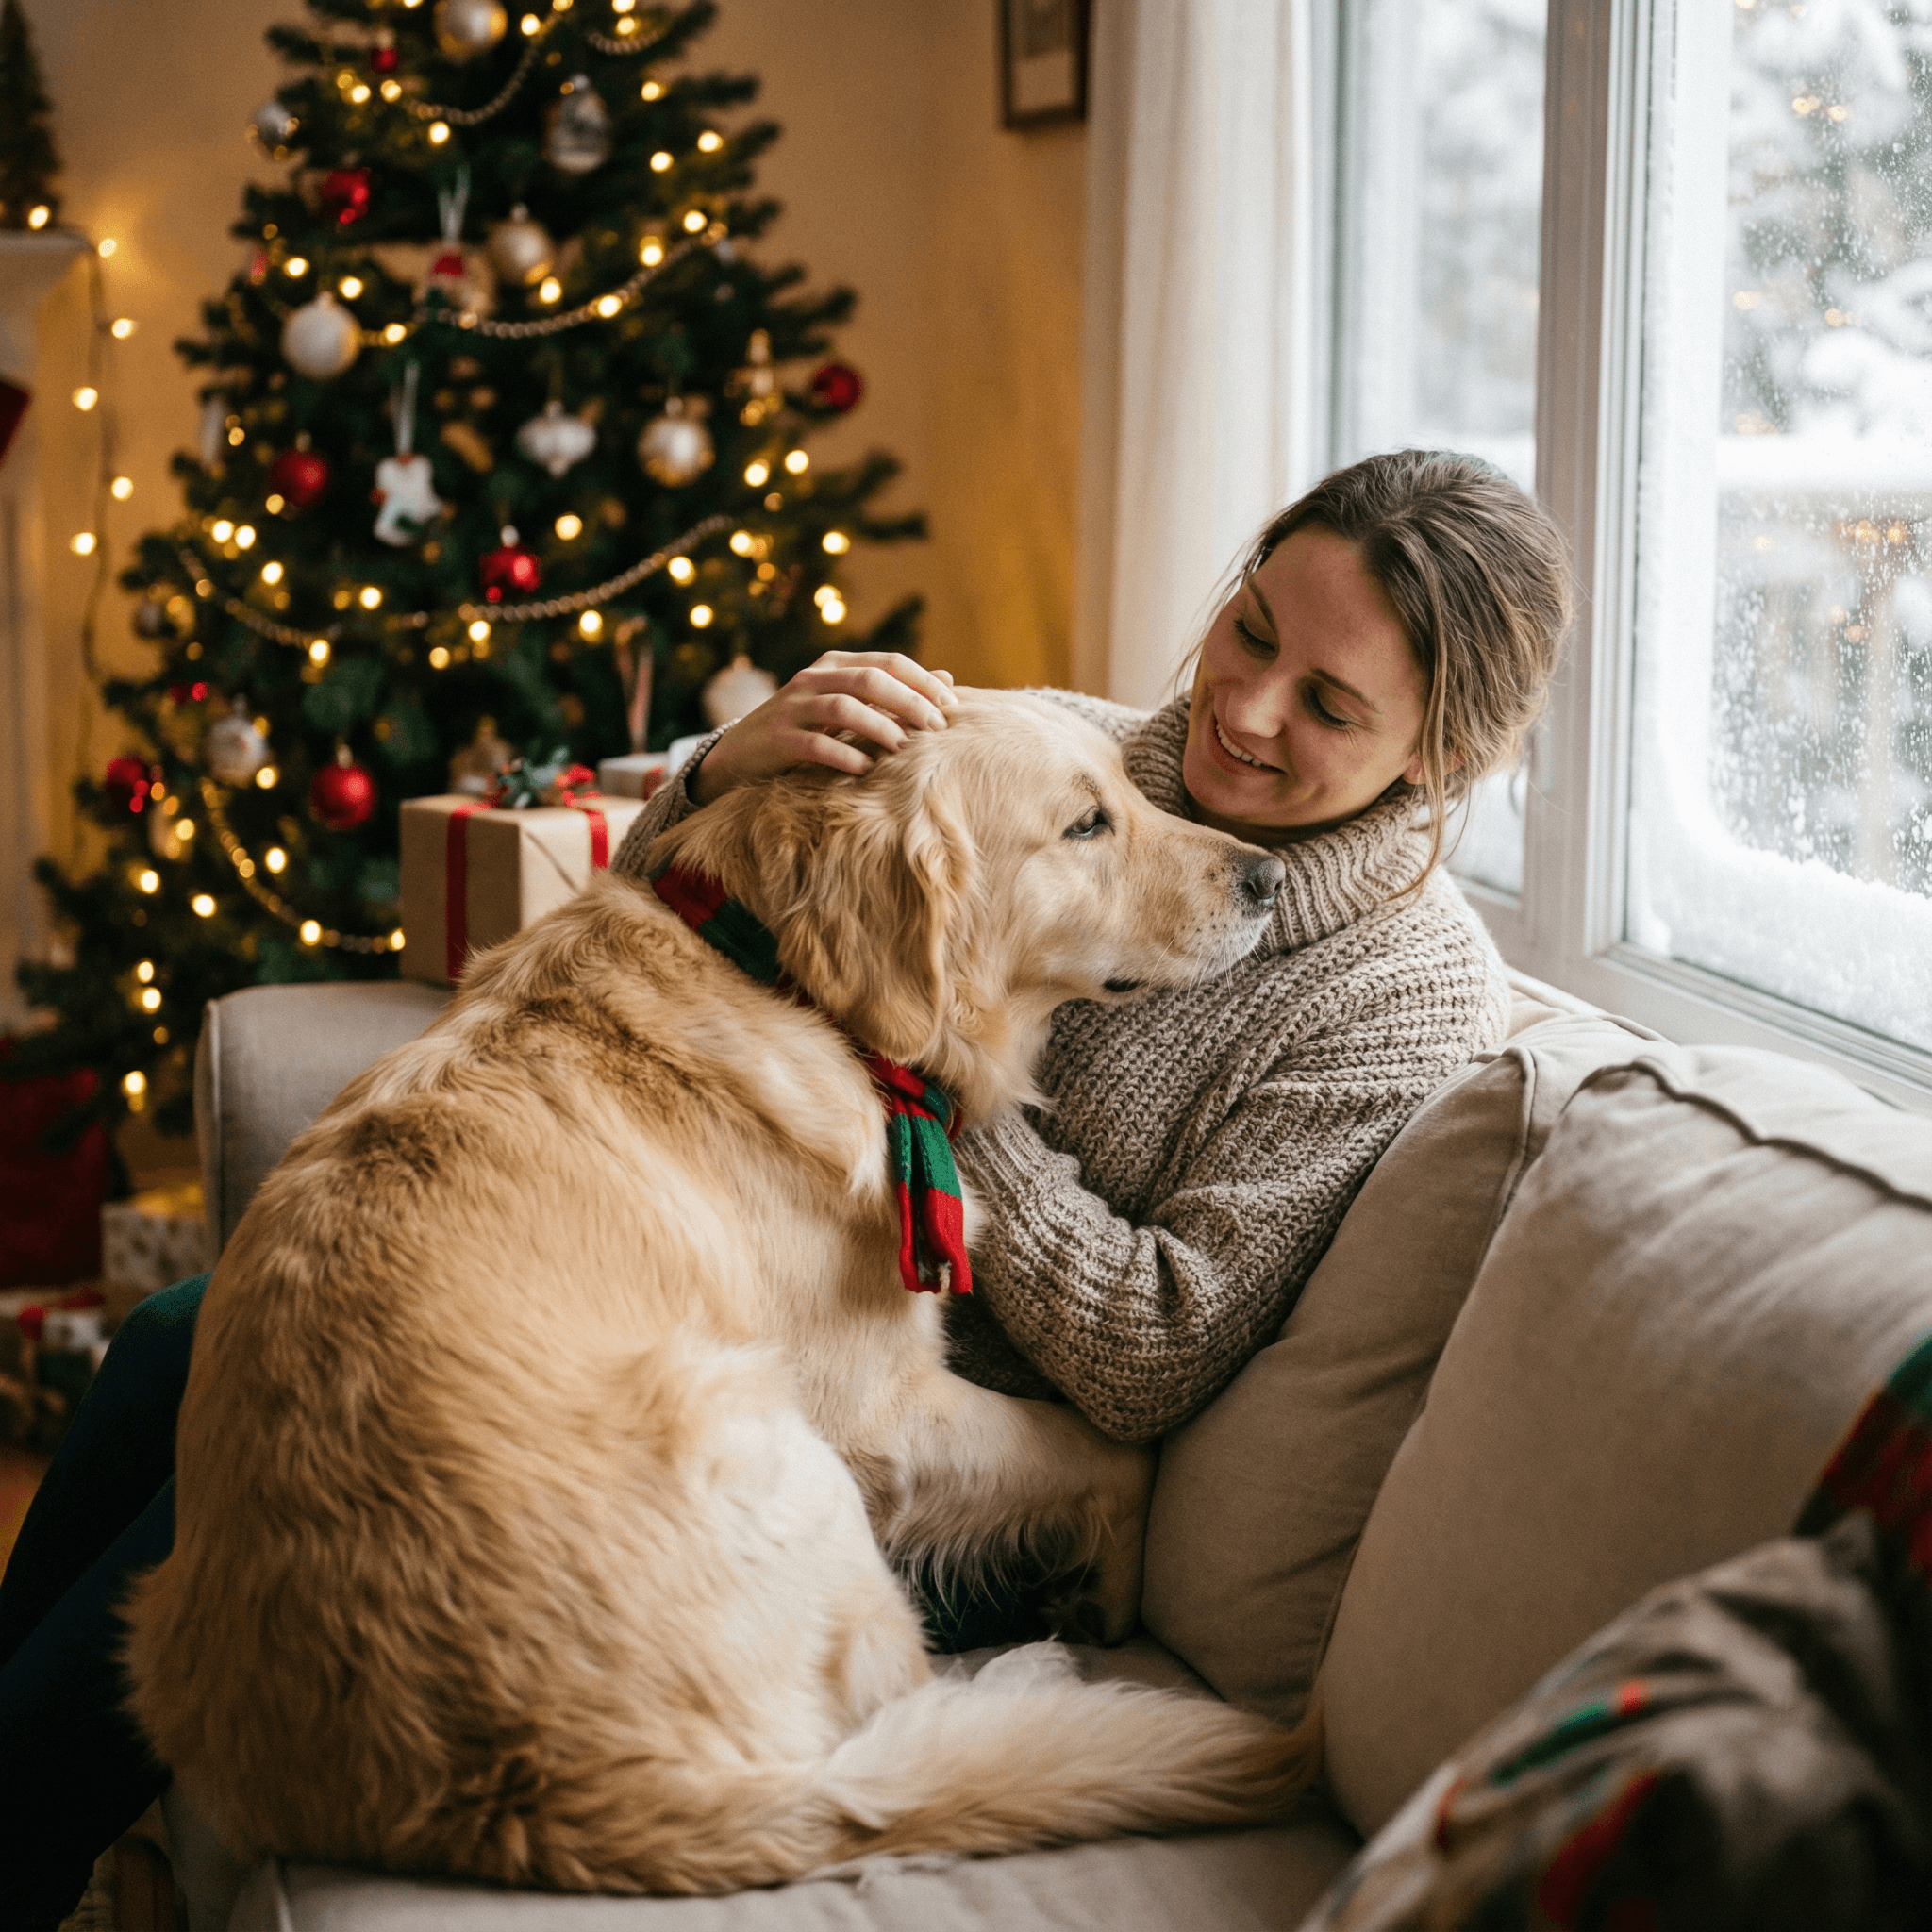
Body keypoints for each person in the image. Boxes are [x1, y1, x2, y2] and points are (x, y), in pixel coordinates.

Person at [0, 449, 1569, 1927]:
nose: (1241, 706)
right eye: (1247, 629)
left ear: (1434, 758)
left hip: (906, 1408)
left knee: (323, 1466)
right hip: (751, 1248)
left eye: (1329, 704)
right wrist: (716, 782)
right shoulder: (1046, 738)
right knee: (181, 1350)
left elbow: (1156, 1339)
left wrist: (924, 1076)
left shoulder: (1404, 998)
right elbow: (722, 929)